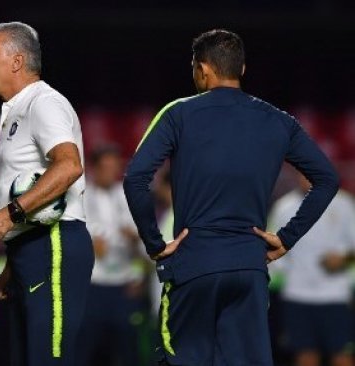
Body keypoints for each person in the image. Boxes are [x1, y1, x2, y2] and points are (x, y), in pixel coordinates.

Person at [123, 29, 339, 365]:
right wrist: (286, 239)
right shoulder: (279, 121)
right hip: (249, 268)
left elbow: (136, 177)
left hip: (193, 265)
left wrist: (154, 243)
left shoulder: (178, 113)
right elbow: (328, 179)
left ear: (203, 69)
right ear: (242, 69)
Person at [0, 21, 94, 366]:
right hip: (32, 249)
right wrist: (13, 266)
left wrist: (10, 214)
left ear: (16, 61)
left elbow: (69, 165)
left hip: (54, 243)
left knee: (49, 359)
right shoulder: (17, 109)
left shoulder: (44, 103)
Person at [269, 174, 355, 366]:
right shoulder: (284, 207)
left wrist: (343, 259)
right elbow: (274, 256)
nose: (306, 177)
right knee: (305, 357)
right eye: (302, 172)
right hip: (297, 295)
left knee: (342, 357)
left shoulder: (344, 204)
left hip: (336, 295)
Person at [78, 145, 143, 366]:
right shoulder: (80, 197)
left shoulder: (127, 196)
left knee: (128, 348)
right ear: (94, 168)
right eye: (105, 167)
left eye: (114, 167)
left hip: (123, 284)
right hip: (92, 284)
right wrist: (88, 245)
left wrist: (135, 240)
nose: (110, 172)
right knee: (85, 346)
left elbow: (144, 245)